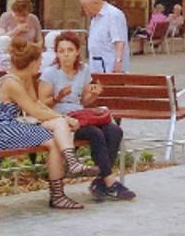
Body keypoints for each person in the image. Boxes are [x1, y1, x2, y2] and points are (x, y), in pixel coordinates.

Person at [0, 38, 90, 212]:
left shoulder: (25, 79)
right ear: (31, 62)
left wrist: (60, 117)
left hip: (15, 126)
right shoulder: (11, 82)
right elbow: (35, 112)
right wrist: (64, 118)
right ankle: (62, 185)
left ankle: (62, 185)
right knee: (55, 138)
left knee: (54, 139)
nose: (40, 65)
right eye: (39, 61)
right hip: (1, 131)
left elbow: (38, 105)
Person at [42, 32, 135, 202]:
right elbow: (41, 104)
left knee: (114, 131)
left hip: (81, 115)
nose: (66, 54)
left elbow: (84, 101)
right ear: (56, 53)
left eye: (70, 50)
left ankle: (101, 182)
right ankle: (110, 182)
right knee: (95, 133)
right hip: (62, 120)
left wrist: (94, 95)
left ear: (77, 52)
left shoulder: (83, 70)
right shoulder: (50, 74)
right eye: (61, 51)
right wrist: (58, 97)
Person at [80, 0, 130, 75]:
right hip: (97, 64)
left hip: (110, 64)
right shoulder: (95, 17)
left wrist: (118, 61)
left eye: (86, 7)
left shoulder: (113, 15)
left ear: (95, 3)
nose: (86, 11)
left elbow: (119, 41)